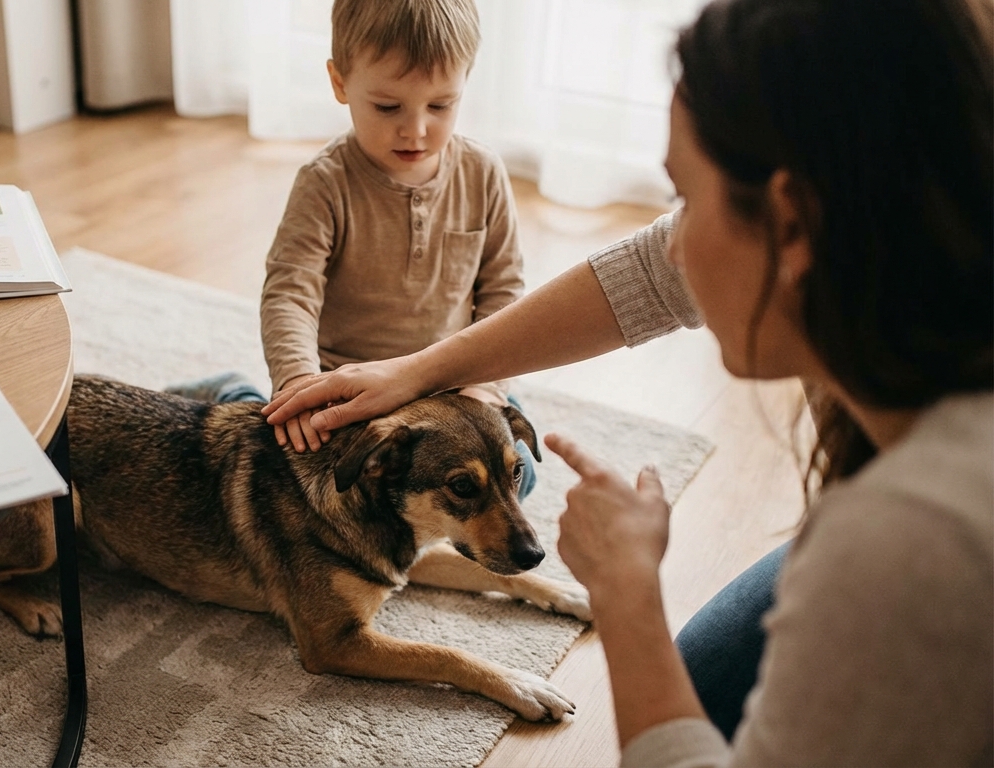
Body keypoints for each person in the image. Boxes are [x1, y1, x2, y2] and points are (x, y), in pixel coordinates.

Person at [264, 0, 993, 763]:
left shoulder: (912, 543)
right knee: (705, 686)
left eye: (684, 198)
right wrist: (398, 376)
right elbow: (643, 275)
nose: (673, 250)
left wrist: (628, 595)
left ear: (791, 225)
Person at [174, 0, 539, 497]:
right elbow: (290, 294)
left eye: (440, 105)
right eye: (388, 107)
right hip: (348, 390)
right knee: (315, 480)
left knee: (519, 479)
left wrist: (485, 389)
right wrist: (298, 382)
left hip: (450, 387)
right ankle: (233, 393)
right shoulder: (324, 183)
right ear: (340, 83)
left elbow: (504, 293)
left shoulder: (483, 172)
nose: (415, 129)